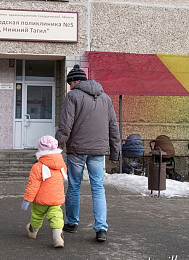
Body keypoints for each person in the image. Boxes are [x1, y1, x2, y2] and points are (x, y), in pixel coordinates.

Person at [55, 64, 120, 242]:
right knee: (98, 188)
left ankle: (72, 223)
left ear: (76, 81)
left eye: (70, 83)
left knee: (74, 186)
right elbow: (113, 126)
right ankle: (101, 229)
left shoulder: (73, 96)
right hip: (98, 151)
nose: (69, 87)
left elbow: (65, 124)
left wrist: (57, 147)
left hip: (77, 150)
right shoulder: (105, 98)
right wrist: (115, 152)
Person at [21, 135, 68, 248]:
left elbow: (33, 185)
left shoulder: (38, 167)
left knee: (37, 215)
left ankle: (33, 231)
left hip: (41, 199)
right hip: (56, 199)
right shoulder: (61, 165)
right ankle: (58, 238)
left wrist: (27, 199)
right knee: (56, 216)